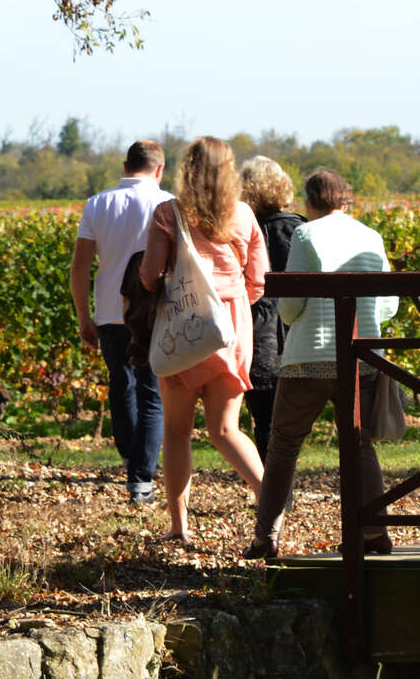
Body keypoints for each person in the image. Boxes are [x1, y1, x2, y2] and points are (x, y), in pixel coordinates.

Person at [244, 168, 398, 559]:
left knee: (284, 445)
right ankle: (375, 530)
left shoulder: (306, 234)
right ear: (345, 199)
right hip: (360, 357)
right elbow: (389, 305)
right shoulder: (371, 236)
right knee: (360, 444)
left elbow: (292, 307)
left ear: (310, 202)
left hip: (309, 358)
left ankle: (266, 536)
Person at [139, 136, 269, 544]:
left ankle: (180, 528)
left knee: (177, 431)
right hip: (230, 328)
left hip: (184, 327)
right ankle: (270, 501)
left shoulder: (168, 213)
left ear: (187, 170)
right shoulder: (244, 215)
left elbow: (148, 276)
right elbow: (258, 281)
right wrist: (229, 308)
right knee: (226, 429)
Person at [71, 140, 174, 504]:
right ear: (159, 169)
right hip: (156, 312)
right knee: (152, 394)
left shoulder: (97, 203)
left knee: (121, 385)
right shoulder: (169, 204)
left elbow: (81, 265)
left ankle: (133, 458)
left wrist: (84, 315)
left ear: (125, 165)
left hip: (111, 311)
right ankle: (141, 478)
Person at [240, 155, 305, 463]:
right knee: (290, 424)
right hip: (297, 336)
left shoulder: (239, 231)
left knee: (264, 421)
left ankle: (272, 494)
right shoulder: (300, 230)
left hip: (254, 333)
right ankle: (280, 491)